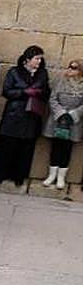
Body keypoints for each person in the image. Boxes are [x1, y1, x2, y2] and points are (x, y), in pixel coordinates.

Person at [0, 45, 50, 187]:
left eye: (40, 59)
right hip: (14, 114)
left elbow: (47, 91)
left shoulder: (42, 74)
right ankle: (0, 174)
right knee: (7, 146)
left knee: (25, 148)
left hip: (31, 116)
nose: (39, 61)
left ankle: (19, 176)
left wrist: (39, 93)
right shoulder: (14, 72)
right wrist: (25, 92)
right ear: (28, 59)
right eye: (36, 58)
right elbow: (7, 91)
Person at [43, 59, 83, 190]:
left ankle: (61, 177)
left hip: (73, 121)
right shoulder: (61, 81)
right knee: (56, 146)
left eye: (75, 68)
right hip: (58, 119)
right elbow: (53, 98)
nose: (71, 70)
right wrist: (60, 112)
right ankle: (52, 175)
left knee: (67, 148)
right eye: (70, 67)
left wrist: (73, 114)